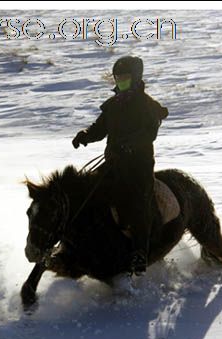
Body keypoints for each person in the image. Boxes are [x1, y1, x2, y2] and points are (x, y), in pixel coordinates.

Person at [72, 56, 168, 274]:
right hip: (114, 162)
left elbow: (149, 133)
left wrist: (130, 146)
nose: (121, 81)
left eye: (125, 77)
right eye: (118, 78)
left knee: (138, 202)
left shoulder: (146, 105)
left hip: (138, 166)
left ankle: (140, 254)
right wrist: (85, 136)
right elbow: (99, 128)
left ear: (135, 78)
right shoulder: (113, 105)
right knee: (88, 192)